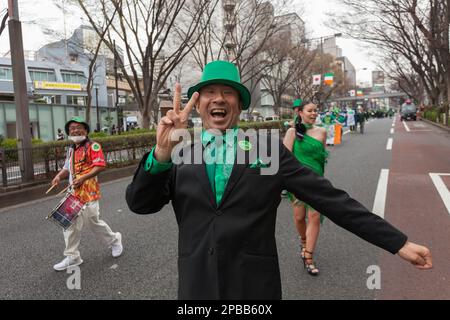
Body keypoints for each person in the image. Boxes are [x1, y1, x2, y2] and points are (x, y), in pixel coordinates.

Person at [125, 60, 432, 300]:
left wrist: (397, 242)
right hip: (197, 288)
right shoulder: (180, 155)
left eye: (227, 92)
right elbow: (140, 204)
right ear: (199, 102)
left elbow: (332, 200)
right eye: (210, 92)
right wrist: (161, 152)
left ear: (240, 104)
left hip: (255, 288)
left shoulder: (268, 152)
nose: (218, 98)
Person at [51, 117, 123, 271]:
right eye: (71, 128)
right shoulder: (71, 149)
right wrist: (58, 176)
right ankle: (72, 256)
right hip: (73, 193)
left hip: (89, 192)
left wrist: (82, 178)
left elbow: (100, 166)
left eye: (78, 127)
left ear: (86, 130)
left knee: (93, 222)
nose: (75, 130)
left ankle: (114, 240)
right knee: (69, 224)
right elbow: (67, 167)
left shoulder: (93, 146)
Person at [283, 101, 327, 276]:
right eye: (310, 110)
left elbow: (321, 158)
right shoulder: (292, 132)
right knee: (300, 218)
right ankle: (303, 241)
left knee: (314, 216)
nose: (314, 113)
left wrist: (321, 181)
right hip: (297, 182)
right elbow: (284, 159)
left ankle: (308, 257)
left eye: (316, 110)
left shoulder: (322, 132)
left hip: (316, 182)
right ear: (299, 112)